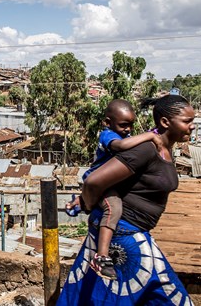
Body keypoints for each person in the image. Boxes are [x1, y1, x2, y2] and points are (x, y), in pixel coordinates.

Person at [58, 94, 196, 306]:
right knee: (161, 296)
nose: (193, 126)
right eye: (187, 121)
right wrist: (86, 203)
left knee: (106, 296)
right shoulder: (145, 149)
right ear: (165, 122)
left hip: (131, 232)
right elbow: (94, 181)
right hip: (124, 236)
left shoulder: (164, 149)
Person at [66, 99, 163, 279]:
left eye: (131, 125)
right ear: (107, 122)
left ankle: (79, 203)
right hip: (101, 183)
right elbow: (121, 147)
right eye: (124, 125)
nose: (128, 129)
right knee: (114, 209)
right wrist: (149, 136)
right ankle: (101, 257)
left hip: (111, 184)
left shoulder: (124, 135)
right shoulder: (108, 135)